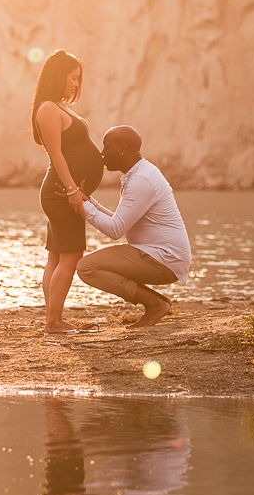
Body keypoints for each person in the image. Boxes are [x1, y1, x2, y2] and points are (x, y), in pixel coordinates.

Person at [71, 126, 191, 328]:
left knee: (87, 267)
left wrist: (82, 206)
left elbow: (116, 230)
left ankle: (154, 304)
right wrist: (88, 201)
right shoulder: (140, 174)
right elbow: (122, 221)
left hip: (165, 258)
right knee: (89, 266)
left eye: (107, 147)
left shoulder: (141, 179)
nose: (102, 154)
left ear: (123, 149)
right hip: (161, 255)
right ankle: (158, 303)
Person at [31, 50, 105, 333]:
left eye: (78, 79)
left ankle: (53, 317)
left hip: (65, 191)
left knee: (56, 256)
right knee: (71, 255)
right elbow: (57, 155)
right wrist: (73, 190)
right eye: (72, 78)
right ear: (58, 75)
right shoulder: (48, 108)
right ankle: (53, 321)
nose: (76, 84)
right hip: (61, 193)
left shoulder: (59, 107)